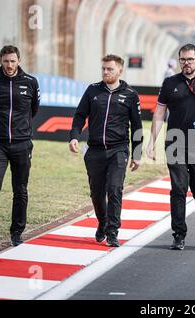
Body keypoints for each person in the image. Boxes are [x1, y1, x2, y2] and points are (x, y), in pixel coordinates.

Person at [146, 44, 195, 250]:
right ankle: (179, 234)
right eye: (182, 60)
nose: (186, 63)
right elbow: (159, 114)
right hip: (175, 142)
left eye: (190, 59)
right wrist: (151, 143)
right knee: (178, 189)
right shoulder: (170, 82)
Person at [70, 54, 143, 247]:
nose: (105, 72)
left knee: (114, 189)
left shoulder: (130, 94)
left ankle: (112, 232)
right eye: (103, 68)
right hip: (94, 151)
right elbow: (79, 116)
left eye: (109, 69)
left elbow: (136, 126)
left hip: (118, 149)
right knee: (96, 193)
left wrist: (137, 154)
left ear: (120, 70)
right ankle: (102, 222)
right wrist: (74, 136)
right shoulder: (92, 90)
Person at [0, 45, 40, 247]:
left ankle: (16, 232)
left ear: (19, 61)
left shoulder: (30, 82)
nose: (9, 65)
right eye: (6, 61)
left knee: (20, 189)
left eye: (13, 61)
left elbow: (33, 110)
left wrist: (21, 130)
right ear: (0, 61)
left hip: (22, 144)